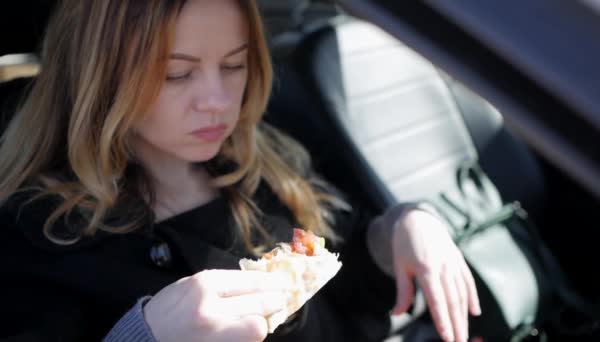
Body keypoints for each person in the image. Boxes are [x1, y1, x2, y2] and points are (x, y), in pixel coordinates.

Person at [0, 0, 481, 341]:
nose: (218, 101)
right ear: (100, 78)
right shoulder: (39, 231)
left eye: (234, 66)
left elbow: (350, 290)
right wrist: (142, 337)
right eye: (177, 74)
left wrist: (399, 228)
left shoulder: (269, 163)